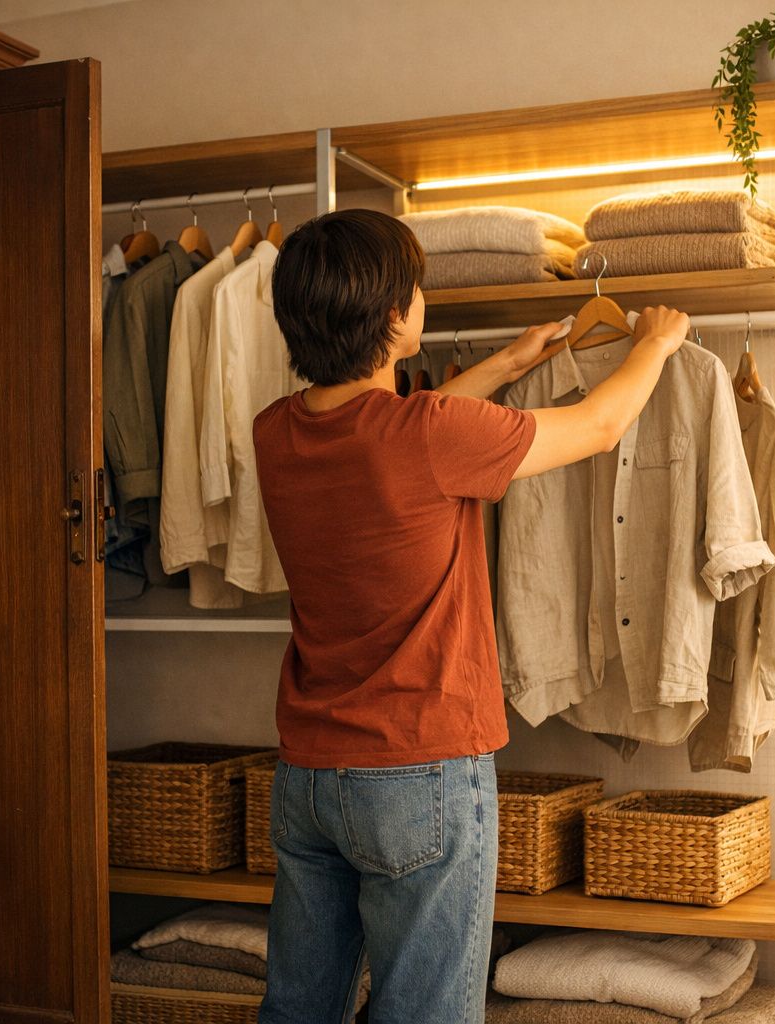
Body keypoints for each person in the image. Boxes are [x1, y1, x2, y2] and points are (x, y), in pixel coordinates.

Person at [252, 209, 689, 1024]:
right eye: (415, 289)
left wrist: (506, 363)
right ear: (393, 318)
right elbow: (598, 427)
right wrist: (655, 346)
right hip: (420, 769)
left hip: (309, 775)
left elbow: (397, 442)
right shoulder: (428, 434)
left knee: (298, 1009)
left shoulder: (277, 431)